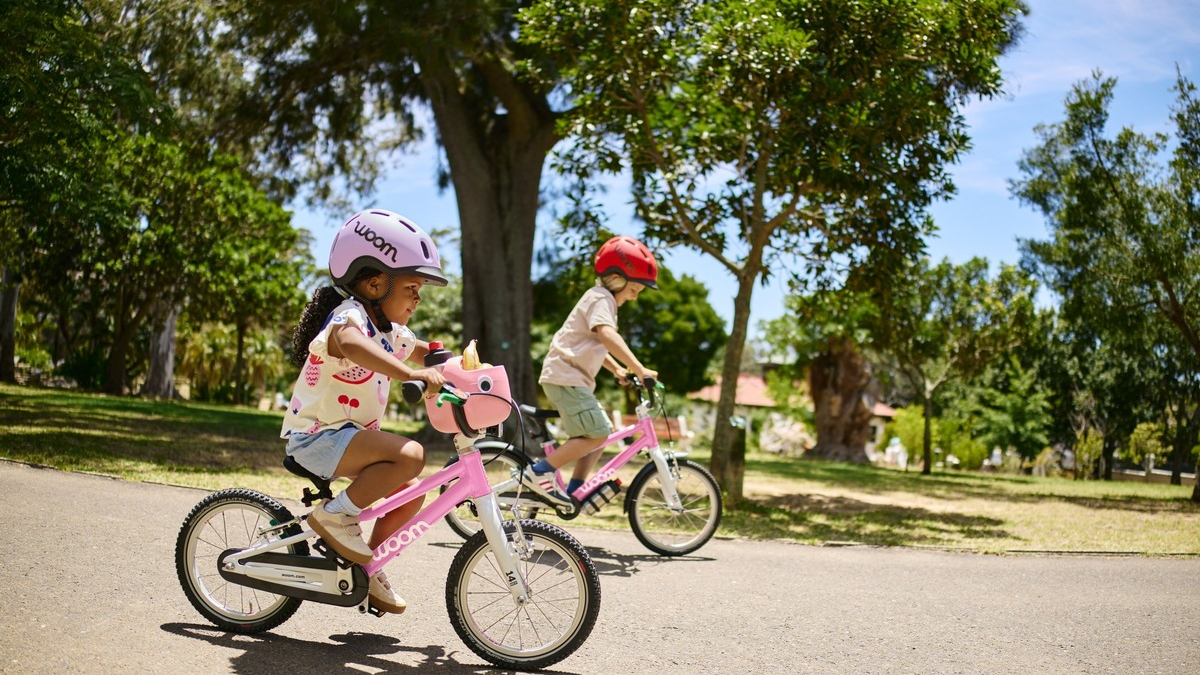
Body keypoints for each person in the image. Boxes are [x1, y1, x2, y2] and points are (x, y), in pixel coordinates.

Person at [281, 208, 448, 616]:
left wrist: (469, 369)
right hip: (316, 439)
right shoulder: (349, 319)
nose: (418, 297)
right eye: (412, 286)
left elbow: (433, 352)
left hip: (346, 441)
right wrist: (410, 372)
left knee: (413, 495)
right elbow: (352, 343)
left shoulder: (390, 332)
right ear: (375, 283)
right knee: (410, 455)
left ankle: (364, 566)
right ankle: (334, 517)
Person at [528, 235, 660, 506]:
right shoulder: (602, 298)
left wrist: (618, 370)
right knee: (598, 432)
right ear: (616, 278)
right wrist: (639, 368)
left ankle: (576, 489)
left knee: (600, 433)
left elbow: (595, 343)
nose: (634, 297)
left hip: (568, 377)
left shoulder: (601, 299)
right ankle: (538, 473)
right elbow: (606, 335)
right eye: (635, 289)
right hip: (565, 377)